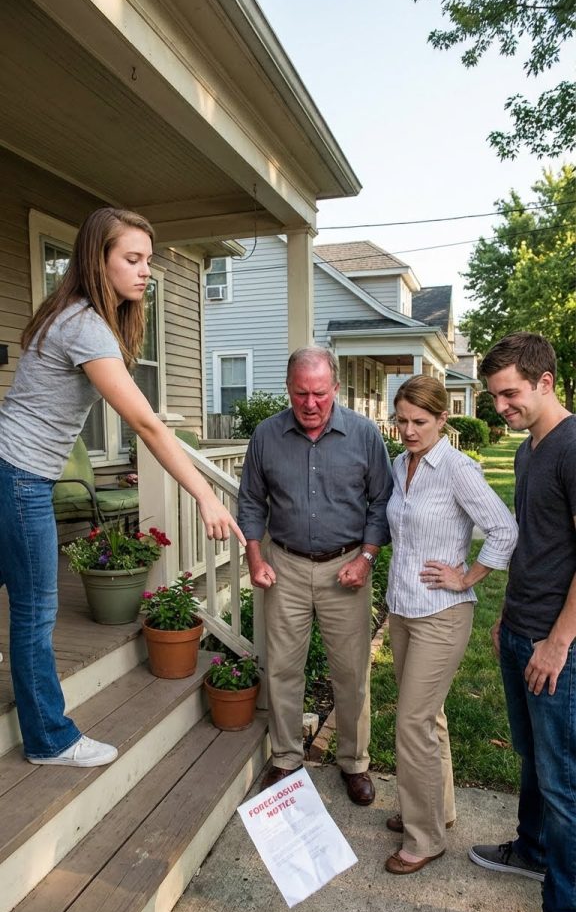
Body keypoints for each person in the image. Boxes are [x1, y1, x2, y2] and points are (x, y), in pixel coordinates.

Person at [0, 206, 244, 768]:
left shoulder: (70, 314)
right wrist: (205, 494)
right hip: (20, 477)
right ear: (97, 259)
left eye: (147, 260)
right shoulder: (84, 324)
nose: (144, 271)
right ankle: (49, 739)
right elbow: (147, 424)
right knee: (36, 612)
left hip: (10, 470)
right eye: (132, 259)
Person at [237, 346, 392, 803]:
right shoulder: (266, 436)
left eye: (320, 393)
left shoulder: (364, 435)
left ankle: (354, 762)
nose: (310, 403)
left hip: (346, 567)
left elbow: (382, 501)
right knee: (283, 669)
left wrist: (366, 558)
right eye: (300, 393)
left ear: (336, 388)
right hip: (284, 565)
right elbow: (251, 501)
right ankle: (286, 757)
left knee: (351, 672)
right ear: (288, 389)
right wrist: (254, 557)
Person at [469, 332, 576, 912]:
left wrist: (558, 642)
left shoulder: (572, 446)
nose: (501, 406)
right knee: (532, 757)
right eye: (494, 396)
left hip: (558, 645)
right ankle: (532, 850)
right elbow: (538, 545)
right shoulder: (529, 448)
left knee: (564, 786)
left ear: (545, 382)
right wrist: (509, 616)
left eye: (509, 394)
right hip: (521, 628)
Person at [384, 376, 517, 875]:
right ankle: (436, 810)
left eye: (420, 421)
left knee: (412, 722)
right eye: (401, 420)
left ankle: (425, 839)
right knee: (429, 718)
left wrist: (467, 576)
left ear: (443, 419)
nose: (409, 431)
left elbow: (504, 529)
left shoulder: (458, 469)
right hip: (402, 609)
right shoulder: (400, 464)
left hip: (442, 614)